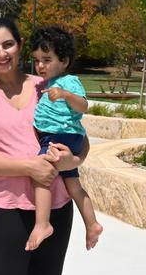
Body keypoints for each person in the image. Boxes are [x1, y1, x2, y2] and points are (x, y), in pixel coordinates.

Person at [0, 18, 90, 275]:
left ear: (19, 46)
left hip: (56, 207)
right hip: (5, 208)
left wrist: (73, 161)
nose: (2, 53)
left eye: (8, 45)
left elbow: (79, 135)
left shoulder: (47, 84)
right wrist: (30, 167)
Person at [25, 26, 103, 252]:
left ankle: (42, 224)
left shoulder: (68, 81)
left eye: (47, 60)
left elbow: (84, 105)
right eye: (37, 60)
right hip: (63, 136)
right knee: (74, 185)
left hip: (61, 136)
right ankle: (92, 224)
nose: (40, 66)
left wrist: (66, 95)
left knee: (40, 175)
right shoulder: (48, 83)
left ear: (65, 60)